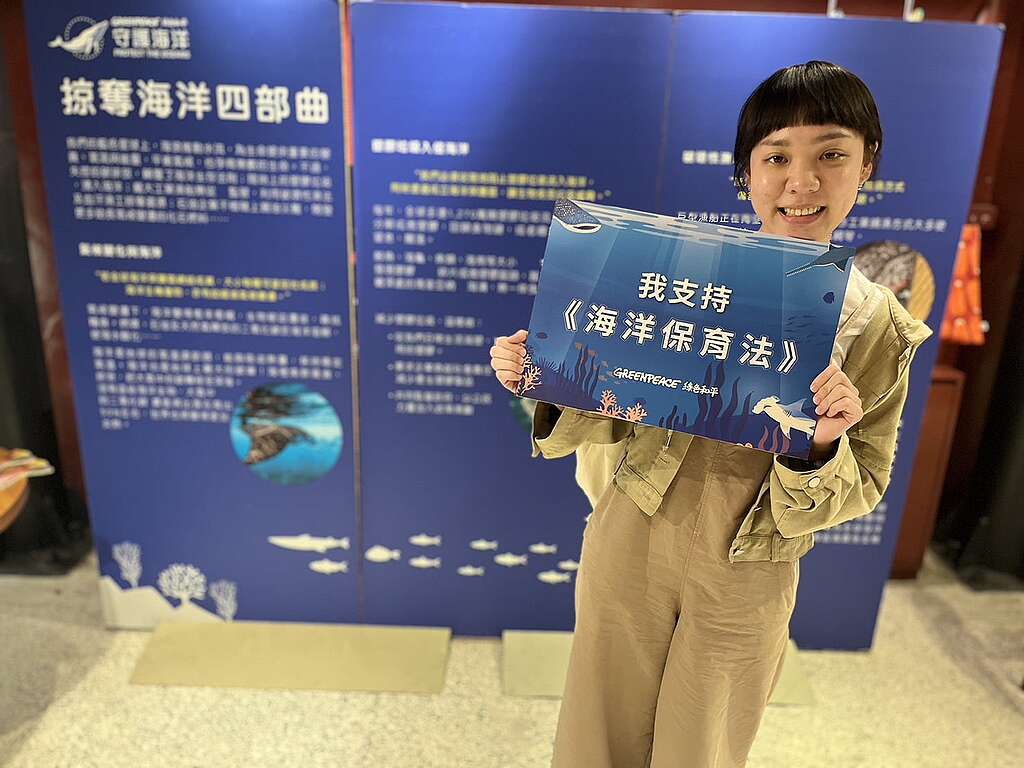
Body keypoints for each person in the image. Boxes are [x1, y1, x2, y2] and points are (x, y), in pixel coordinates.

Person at [489, 61, 932, 768]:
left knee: (705, 746)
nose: (802, 180)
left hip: (751, 560)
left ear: (867, 165)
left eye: (831, 155)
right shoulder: (681, 271)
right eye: (776, 156)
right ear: (746, 172)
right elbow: (613, 403)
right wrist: (543, 376)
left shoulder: (879, 324)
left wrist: (817, 450)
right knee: (592, 736)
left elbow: (869, 478)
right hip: (633, 526)